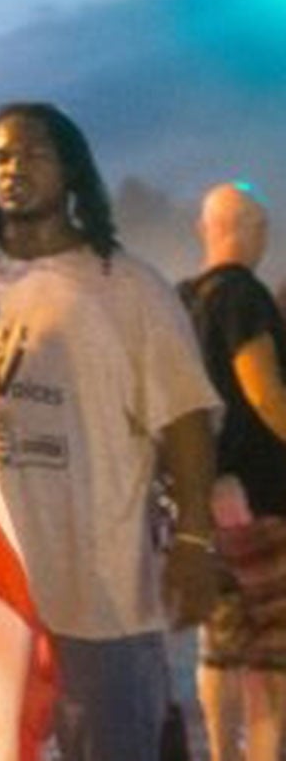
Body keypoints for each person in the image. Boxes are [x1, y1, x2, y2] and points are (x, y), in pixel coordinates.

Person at [0, 101, 219, 761]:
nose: (14, 168)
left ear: (73, 171)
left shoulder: (126, 286)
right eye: (0, 157)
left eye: (33, 154)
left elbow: (186, 416)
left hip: (101, 596)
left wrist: (195, 537)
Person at [181, 180, 286, 761]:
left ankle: (222, 754)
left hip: (202, 503)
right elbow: (266, 393)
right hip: (264, 503)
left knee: (219, 648)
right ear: (250, 231)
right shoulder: (245, 297)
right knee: (272, 655)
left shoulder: (178, 299)